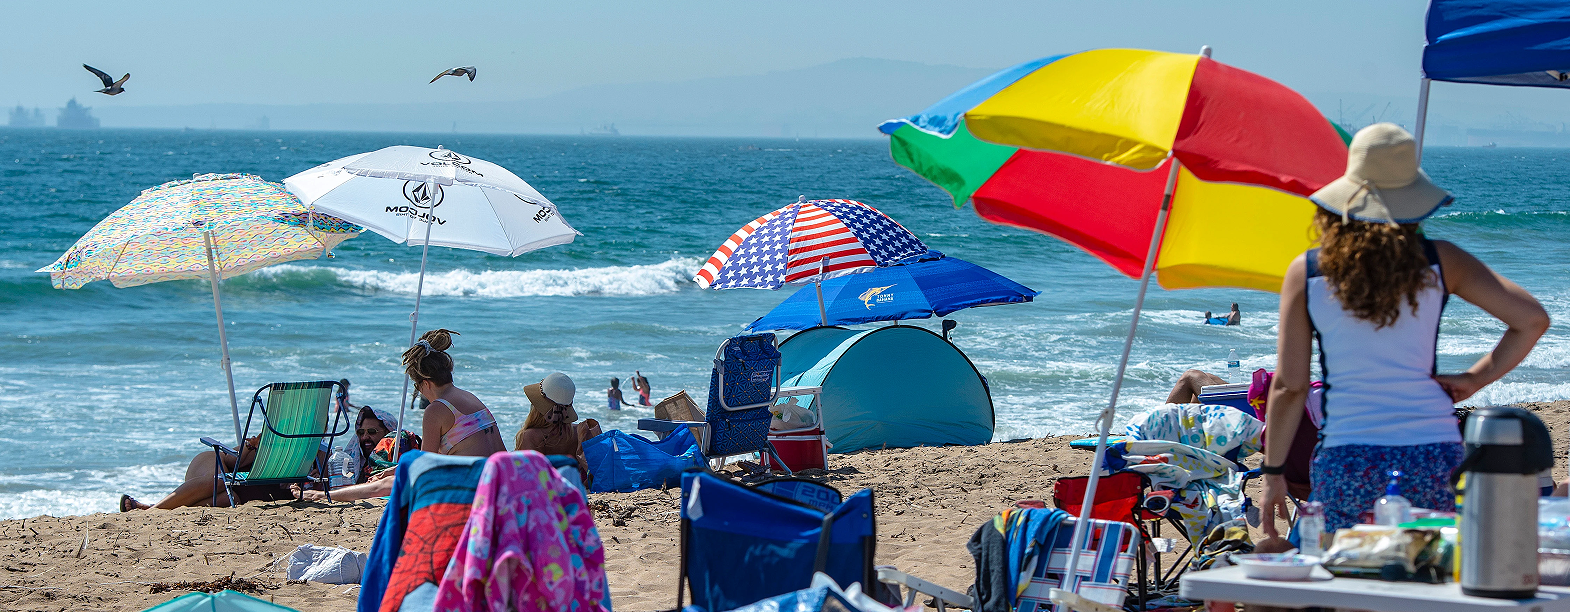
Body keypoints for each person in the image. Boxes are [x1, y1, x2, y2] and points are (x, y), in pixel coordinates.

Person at [1259, 123, 1549, 535]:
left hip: (1347, 452)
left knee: (1348, 574)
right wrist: (1473, 379)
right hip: (1432, 448)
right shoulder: (1441, 261)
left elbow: (1290, 387)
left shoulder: (1307, 271)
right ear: (1413, 196)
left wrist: (1273, 473)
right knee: (1424, 569)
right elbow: (1532, 320)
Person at [300, 329, 504, 502]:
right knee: (392, 476)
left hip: (472, 489)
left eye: (418, 387)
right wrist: (395, 468)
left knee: (386, 485)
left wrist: (395, 473)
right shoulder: (471, 398)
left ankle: (325, 495)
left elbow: (425, 467)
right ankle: (331, 494)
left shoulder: (437, 409)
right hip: (499, 481)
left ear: (426, 383)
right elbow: (455, 453)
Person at [515, 373, 594, 481]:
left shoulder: (530, 436)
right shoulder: (580, 432)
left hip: (546, 492)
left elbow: (527, 476)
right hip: (572, 488)